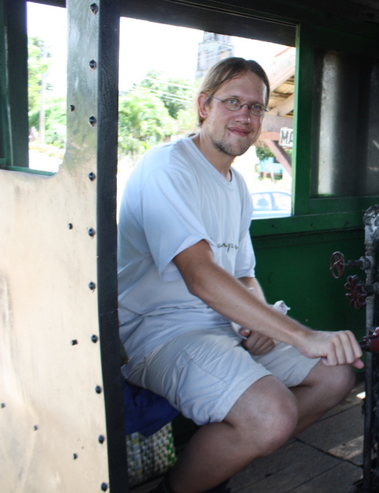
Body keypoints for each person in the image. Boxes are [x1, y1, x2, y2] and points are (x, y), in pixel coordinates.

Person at [117, 57, 364, 493]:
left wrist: (259, 320)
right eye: (232, 102)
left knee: (335, 376)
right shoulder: (168, 168)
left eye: (255, 108)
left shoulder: (237, 185)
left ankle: (222, 459)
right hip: (161, 333)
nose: (245, 116)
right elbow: (200, 275)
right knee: (271, 415)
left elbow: (244, 275)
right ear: (203, 106)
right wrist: (302, 335)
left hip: (222, 327)